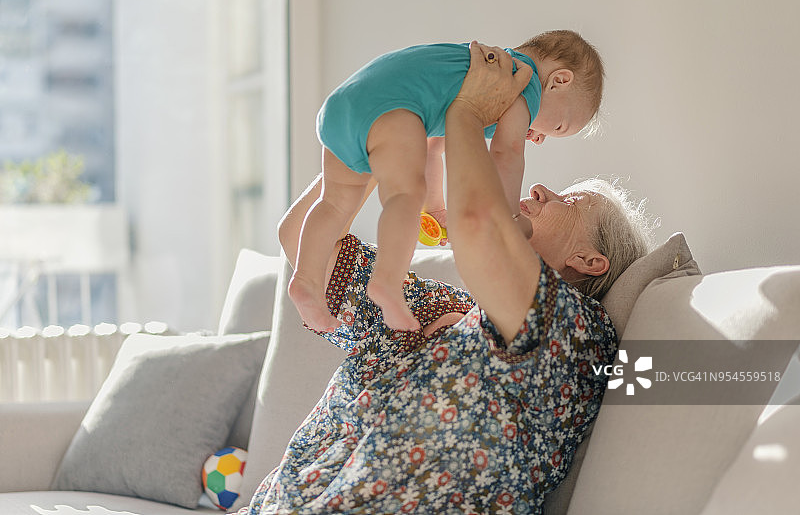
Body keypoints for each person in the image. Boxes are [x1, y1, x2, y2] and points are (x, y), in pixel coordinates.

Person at [236, 42, 652, 514]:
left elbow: (481, 229)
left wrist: (467, 110)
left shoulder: (577, 335)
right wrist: (394, 123)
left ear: (591, 260)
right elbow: (299, 238)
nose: (540, 188)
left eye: (568, 201)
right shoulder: (444, 310)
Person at [289, 30, 605, 333]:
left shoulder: (480, 68)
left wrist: (437, 207)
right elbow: (506, 153)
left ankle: (305, 280)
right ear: (559, 81)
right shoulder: (524, 84)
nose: (540, 138)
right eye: (558, 127)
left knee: (332, 203)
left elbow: (433, 145)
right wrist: (510, 217)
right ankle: (387, 280)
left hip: (343, 103)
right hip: (390, 110)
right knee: (404, 196)